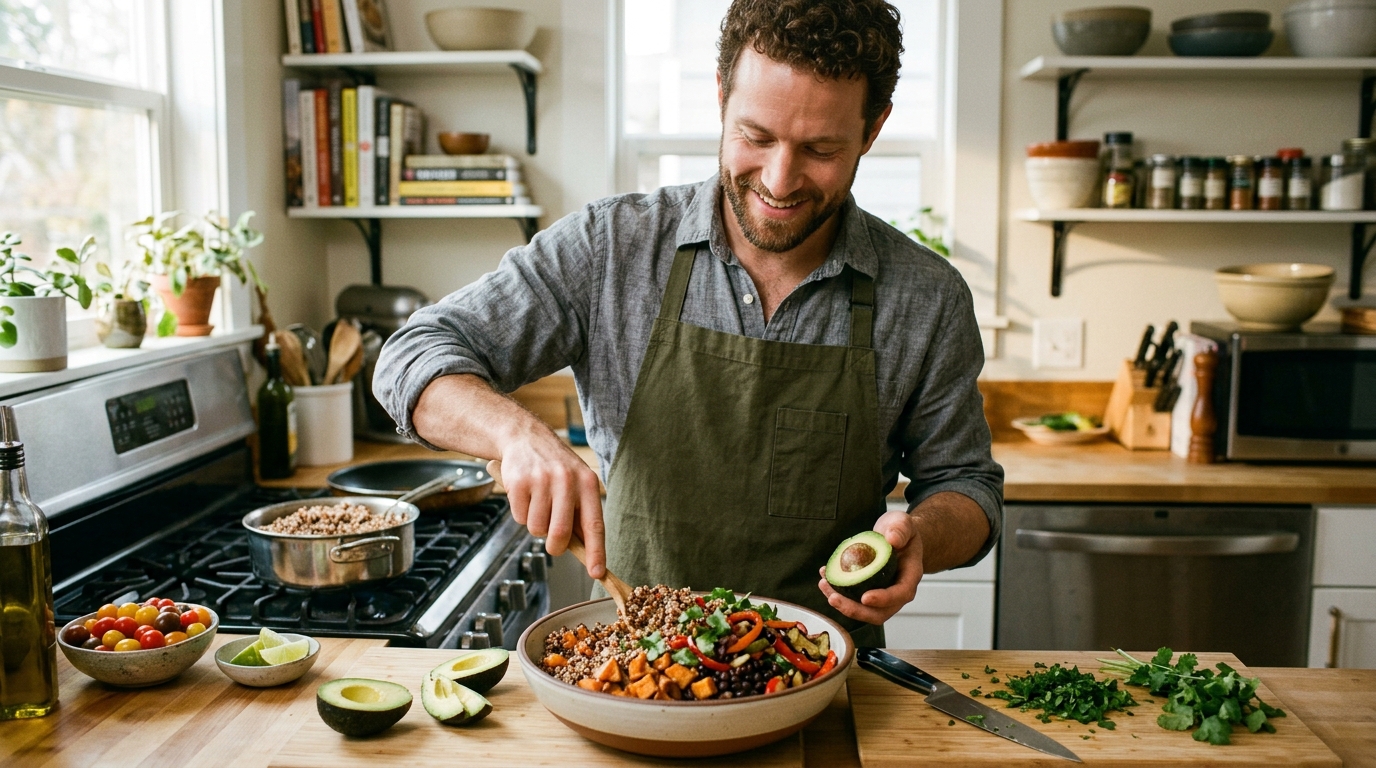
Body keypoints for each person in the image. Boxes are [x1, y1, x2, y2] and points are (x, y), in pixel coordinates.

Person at [375, 0, 1002, 646]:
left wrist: (921, 536)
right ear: (722, 96)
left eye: (820, 148)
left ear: (873, 131)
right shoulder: (613, 247)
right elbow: (409, 356)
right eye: (756, 137)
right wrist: (513, 435)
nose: (780, 181)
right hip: (632, 680)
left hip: (823, 689)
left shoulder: (927, 299)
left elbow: (967, 485)